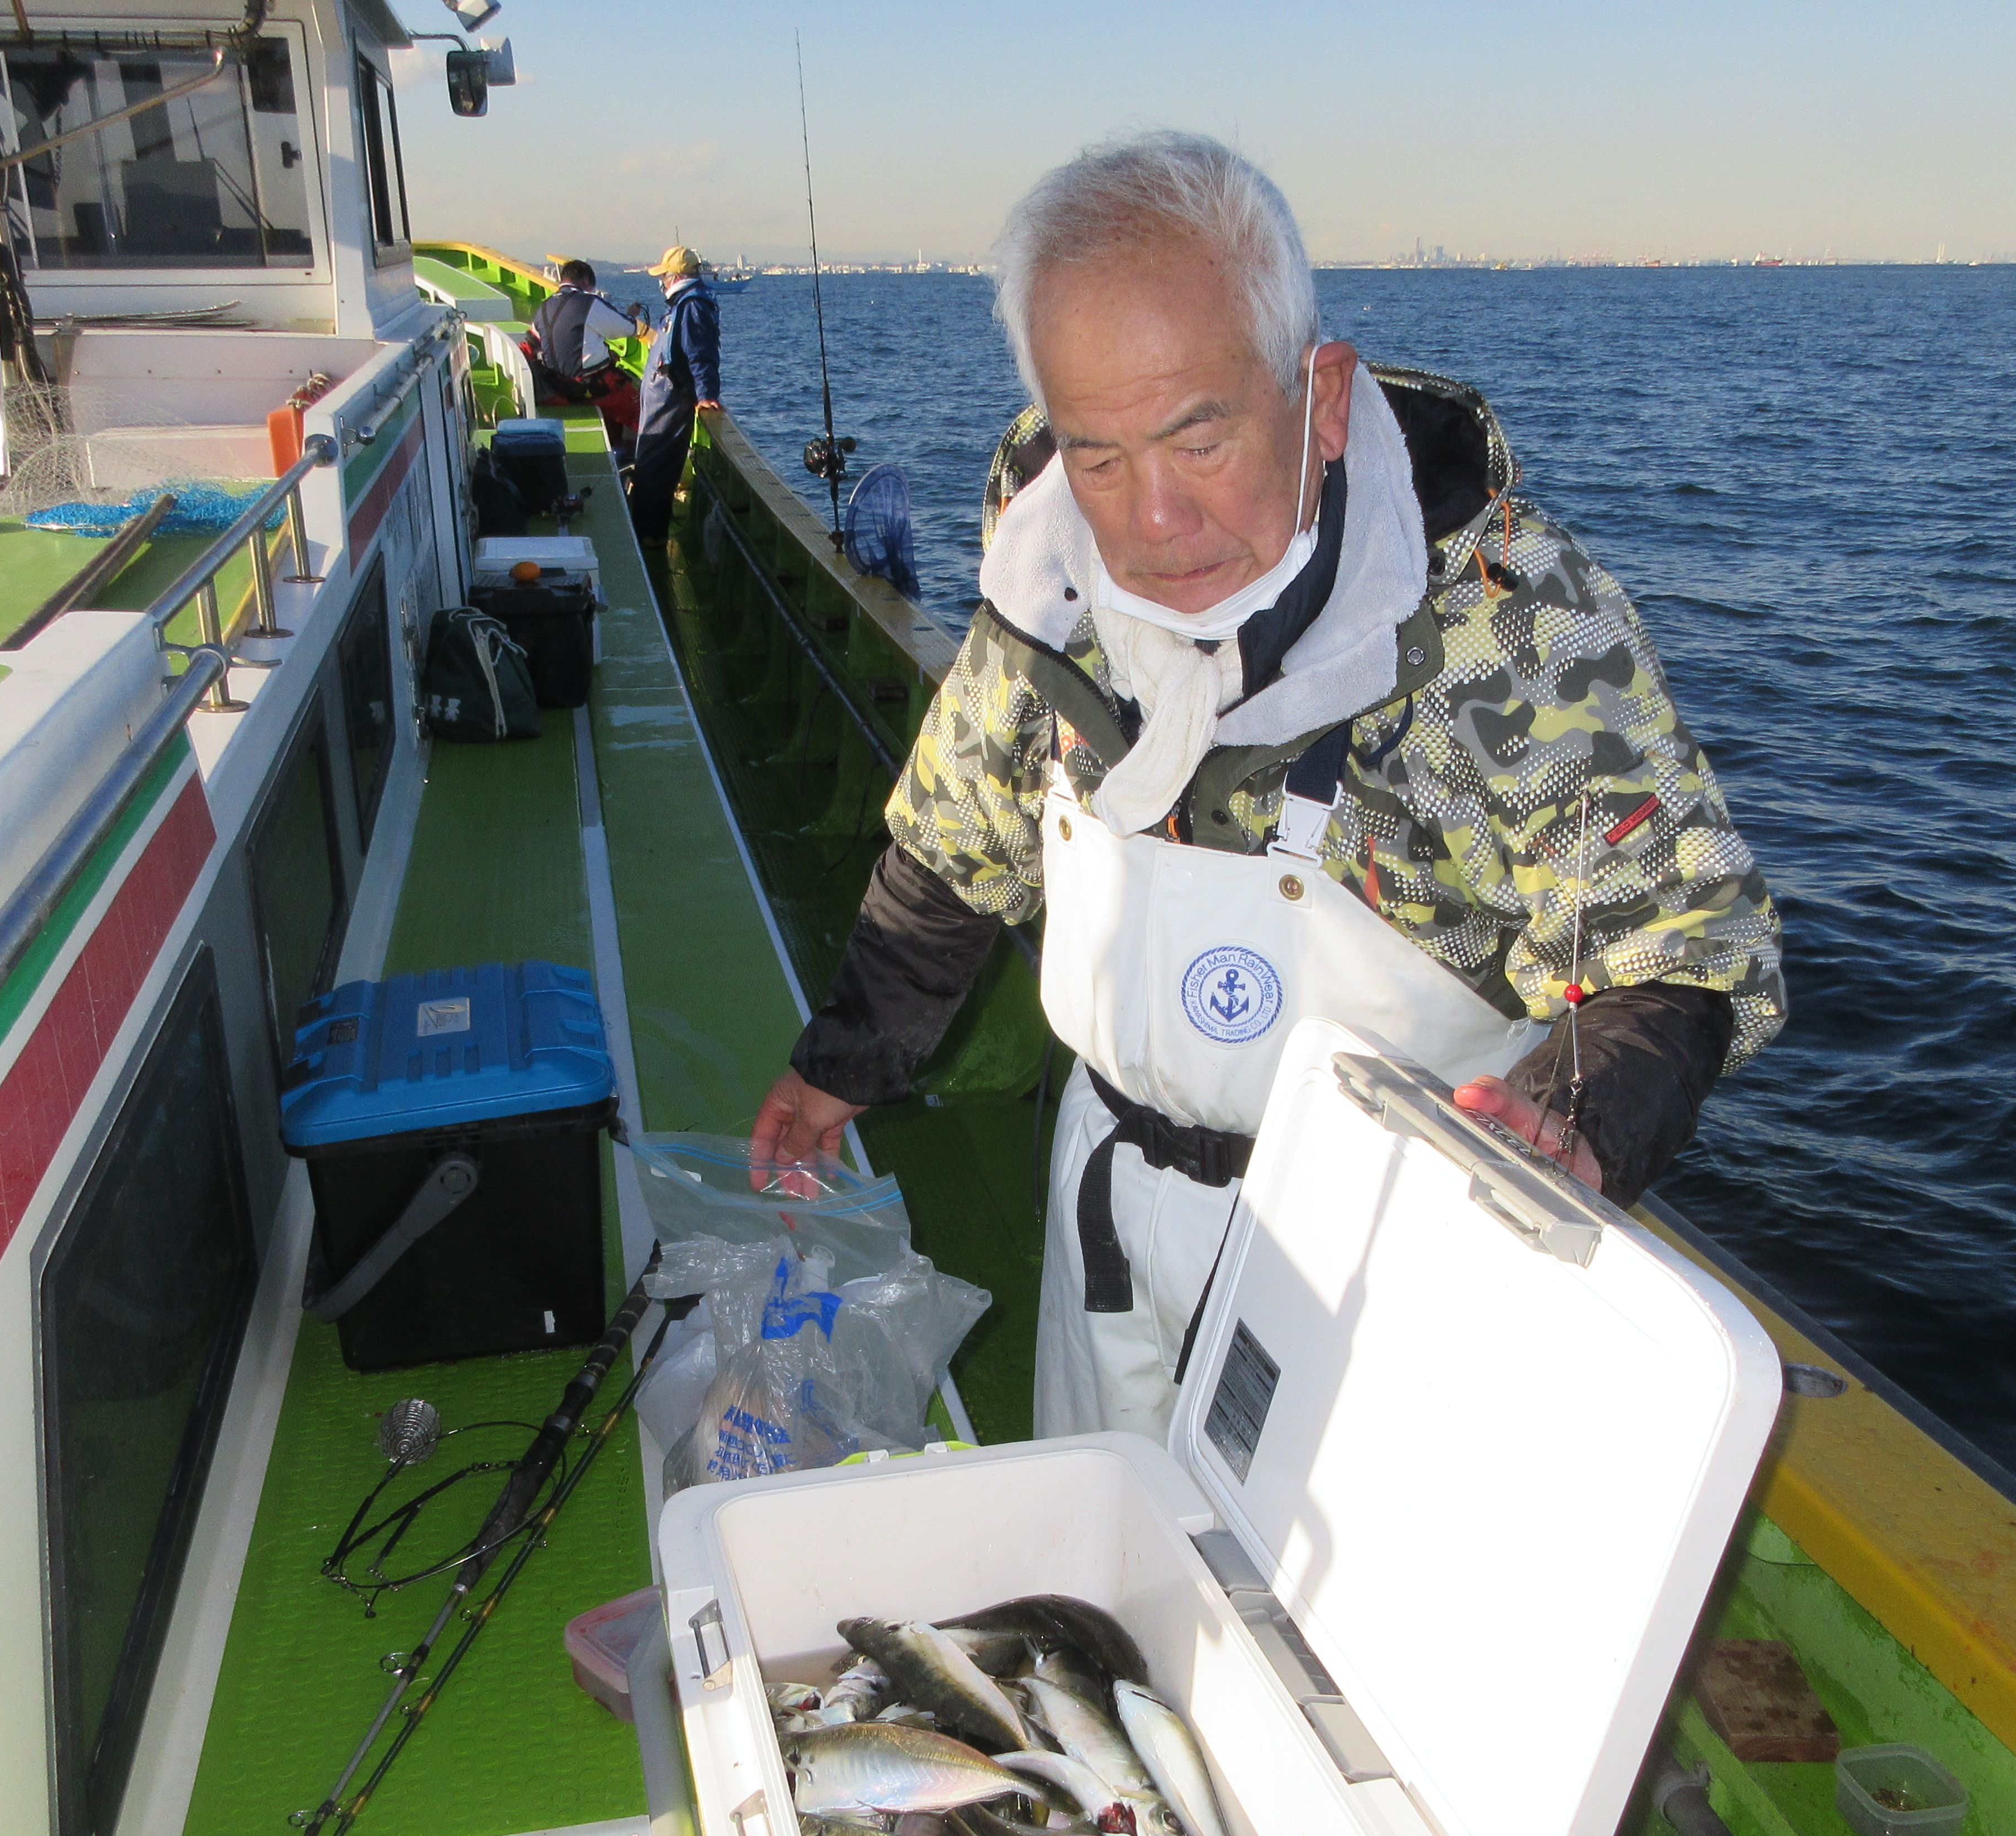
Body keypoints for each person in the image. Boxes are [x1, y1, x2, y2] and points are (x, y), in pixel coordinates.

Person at [749, 134, 1787, 1440]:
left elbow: (1682, 946)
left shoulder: (1507, 624)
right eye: (1100, 456)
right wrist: (837, 1066)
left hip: (1390, 1268)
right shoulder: (1049, 584)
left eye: (1200, 440)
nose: (1153, 522)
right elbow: (957, 847)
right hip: (1109, 1208)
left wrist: (1572, 1116)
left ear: (1323, 397)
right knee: (1099, 1535)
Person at [627, 243, 723, 547]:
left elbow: (700, 354)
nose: (662, 282)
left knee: (657, 464)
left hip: (670, 396)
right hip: (662, 395)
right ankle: (646, 531)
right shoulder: (684, 303)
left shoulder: (693, 306)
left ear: (675, 277)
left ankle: (650, 536)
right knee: (651, 459)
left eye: (664, 276)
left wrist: (706, 394)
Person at [524, 259, 641, 452]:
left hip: (555, 386)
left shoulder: (545, 306)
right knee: (640, 408)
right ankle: (635, 454)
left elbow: (538, 342)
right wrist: (631, 314)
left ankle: (614, 446)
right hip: (587, 388)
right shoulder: (589, 303)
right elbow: (628, 328)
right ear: (586, 280)